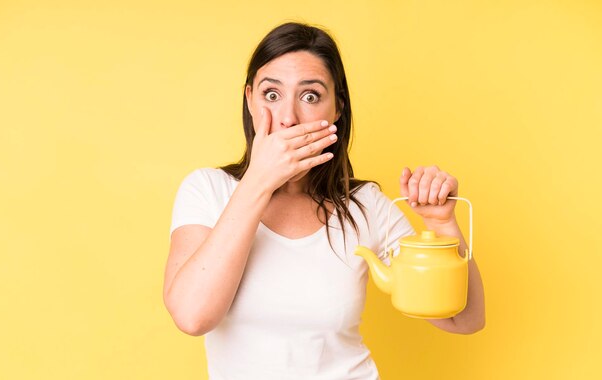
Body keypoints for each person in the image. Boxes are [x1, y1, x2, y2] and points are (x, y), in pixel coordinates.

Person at [163, 22, 485, 379]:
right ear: (250, 99)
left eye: (310, 96)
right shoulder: (209, 190)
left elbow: (463, 319)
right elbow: (192, 316)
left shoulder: (367, 206)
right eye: (271, 95)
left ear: (338, 109)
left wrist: (442, 224)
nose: (288, 118)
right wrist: (258, 181)